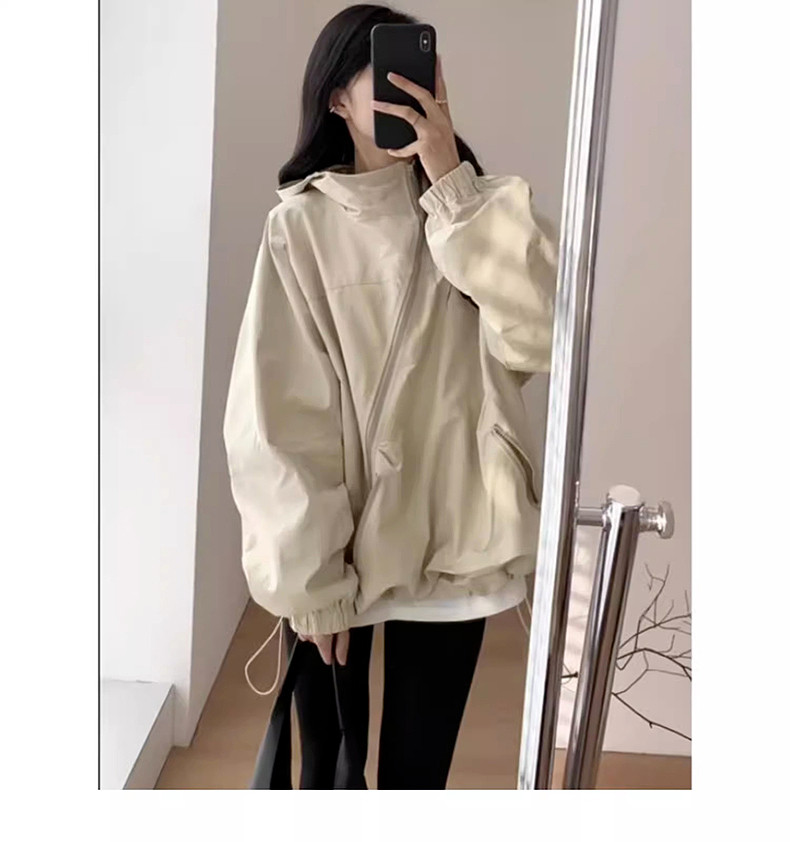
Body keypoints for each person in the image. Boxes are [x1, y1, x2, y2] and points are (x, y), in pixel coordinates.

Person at [223, 3, 556, 790]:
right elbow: (278, 419)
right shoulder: (300, 228)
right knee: (324, 779)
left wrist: (451, 185)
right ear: (338, 98)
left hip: (456, 541)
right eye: (390, 73)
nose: (415, 89)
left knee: (416, 782)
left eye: (426, 72)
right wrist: (310, 582)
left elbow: (543, 334)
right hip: (339, 554)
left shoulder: (481, 211)